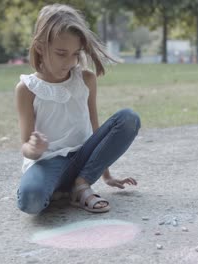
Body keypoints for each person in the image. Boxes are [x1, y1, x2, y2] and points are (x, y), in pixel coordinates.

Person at [15, 4, 141, 214]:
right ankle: (66, 190)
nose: (70, 61)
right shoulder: (27, 89)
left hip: (83, 158)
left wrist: (106, 175)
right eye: (61, 53)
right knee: (30, 202)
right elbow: (25, 147)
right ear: (39, 47)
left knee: (128, 118)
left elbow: (94, 127)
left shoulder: (86, 79)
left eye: (76, 53)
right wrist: (34, 149)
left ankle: (81, 184)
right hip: (48, 162)